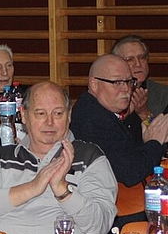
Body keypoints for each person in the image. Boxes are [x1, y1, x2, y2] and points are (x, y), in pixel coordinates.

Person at [0, 81, 117, 234]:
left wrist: (62, 190)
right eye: (40, 113)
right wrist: (33, 187)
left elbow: (100, 225)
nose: (49, 122)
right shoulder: (4, 156)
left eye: (58, 113)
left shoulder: (88, 157)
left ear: (69, 115)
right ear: (24, 115)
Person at [70, 54, 168, 189]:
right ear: (94, 84)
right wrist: (155, 142)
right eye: (117, 82)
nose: (126, 89)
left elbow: (129, 156)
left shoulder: (108, 111)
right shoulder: (93, 118)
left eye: (129, 82)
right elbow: (131, 172)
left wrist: (148, 142)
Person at [111, 35, 168, 121]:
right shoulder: (106, 93)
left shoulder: (163, 95)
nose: (138, 64)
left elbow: (164, 133)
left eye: (142, 58)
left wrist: (144, 113)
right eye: (129, 59)